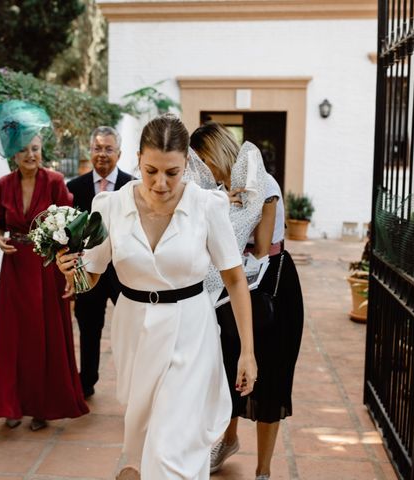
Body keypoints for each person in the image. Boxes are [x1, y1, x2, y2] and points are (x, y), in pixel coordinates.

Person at [56, 114, 257, 479]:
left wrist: (247, 351)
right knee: (147, 439)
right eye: (150, 171)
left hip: (191, 331)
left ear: (186, 165)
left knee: (170, 445)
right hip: (134, 330)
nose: (160, 183)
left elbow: (235, 279)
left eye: (172, 172)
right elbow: (92, 277)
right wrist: (71, 270)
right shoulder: (109, 206)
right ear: (137, 158)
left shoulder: (207, 206)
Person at [190, 122, 304, 480]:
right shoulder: (217, 190)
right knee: (229, 368)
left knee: (271, 377)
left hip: (272, 286)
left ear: (220, 151)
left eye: (205, 158)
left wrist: (219, 212)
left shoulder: (263, 184)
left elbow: (258, 246)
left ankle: (263, 471)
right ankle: (228, 439)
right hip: (232, 289)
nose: (203, 168)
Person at [0, 101, 88, 431]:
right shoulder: (3, 185)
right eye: (24, 150)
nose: (31, 155)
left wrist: (72, 271)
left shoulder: (56, 181)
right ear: (14, 155)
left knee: (44, 336)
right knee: (14, 336)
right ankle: (13, 405)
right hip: (15, 268)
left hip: (47, 267)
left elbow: (72, 229)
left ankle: (43, 407)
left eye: (36, 148)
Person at [65, 126, 133, 398]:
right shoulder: (73, 188)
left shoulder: (131, 186)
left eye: (108, 149)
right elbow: (67, 233)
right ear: (89, 151)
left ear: (119, 153)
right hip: (88, 270)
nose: (102, 154)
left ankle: (133, 383)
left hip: (123, 271)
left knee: (131, 327)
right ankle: (86, 383)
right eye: (97, 148)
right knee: (88, 328)